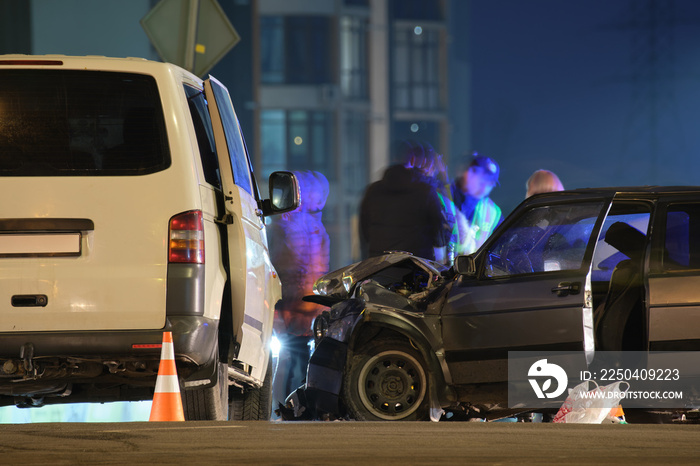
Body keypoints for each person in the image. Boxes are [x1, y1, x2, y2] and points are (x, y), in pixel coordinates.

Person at [268, 170, 330, 410]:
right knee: (293, 360)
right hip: (297, 306)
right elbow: (292, 265)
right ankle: (289, 406)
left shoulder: (301, 225)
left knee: (298, 360)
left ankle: (294, 405)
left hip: (301, 307)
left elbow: (314, 266)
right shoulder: (295, 226)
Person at [359, 140, 450, 263]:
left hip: (379, 266)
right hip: (416, 267)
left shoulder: (372, 191)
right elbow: (439, 236)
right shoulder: (426, 191)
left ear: (390, 159)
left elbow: (364, 233)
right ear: (413, 160)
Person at [450, 153, 502, 254]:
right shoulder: (443, 197)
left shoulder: (492, 212)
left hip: (470, 269)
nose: (484, 187)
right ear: (469, 172)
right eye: (482, 180)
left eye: (490, 183)